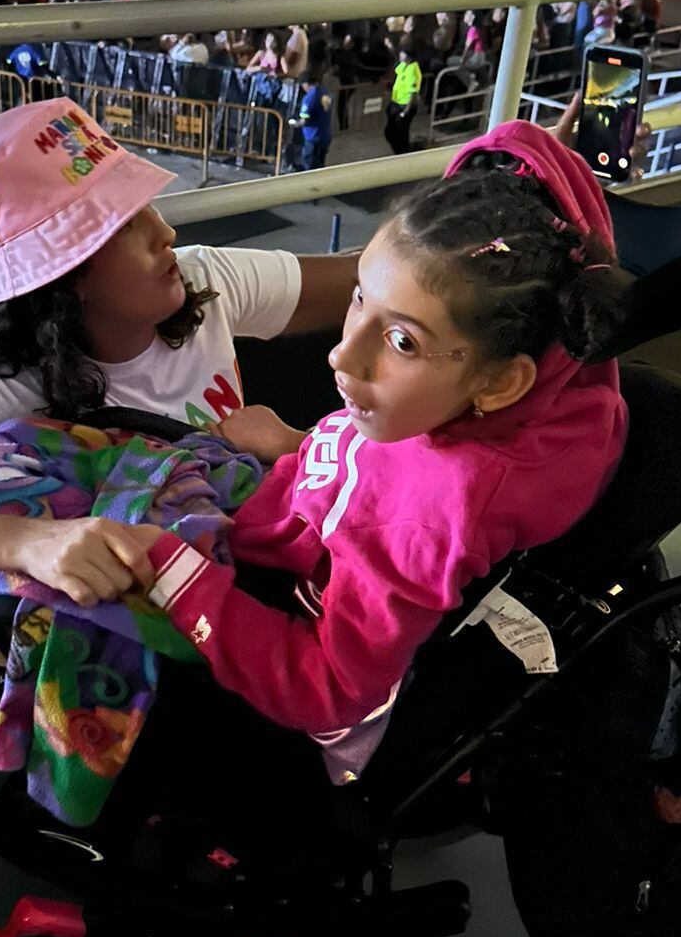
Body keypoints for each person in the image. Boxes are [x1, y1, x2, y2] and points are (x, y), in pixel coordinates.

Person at [56, 121, 630, 863]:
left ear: (498, 382)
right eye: (360, 299)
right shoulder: (547, 397)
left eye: (402, 342)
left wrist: (176, 574)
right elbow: (373, 475)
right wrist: (300, 445)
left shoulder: (421, 518)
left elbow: (330, 688)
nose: (341, 352)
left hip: (275, 649)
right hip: (289, 517)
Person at [0, 98, 359, 598]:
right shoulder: (10, 389)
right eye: (127, 224)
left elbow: (374, 281)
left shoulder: (204, 280)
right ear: (66, 274)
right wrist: (28, 543)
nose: (166, 233)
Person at [384, 42, 422, 155]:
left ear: (408, 56)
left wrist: (405, 113)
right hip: (396, 103)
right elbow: (396, 69)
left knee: (402, 133)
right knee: (390, 131)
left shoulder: (413, 72)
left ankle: (402, 153)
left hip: (405, 107)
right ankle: (399, 151)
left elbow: (413, 95)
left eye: (403, 54)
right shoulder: (404, 65)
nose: (401, 55)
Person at [293, 66, 332, 171]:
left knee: (309, 166)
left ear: (305, 84)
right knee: (320, 164)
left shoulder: (309, 98)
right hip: (325, 134)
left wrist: (295, 124)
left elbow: (304, 120)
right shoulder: (324, 91)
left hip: (312, 136)